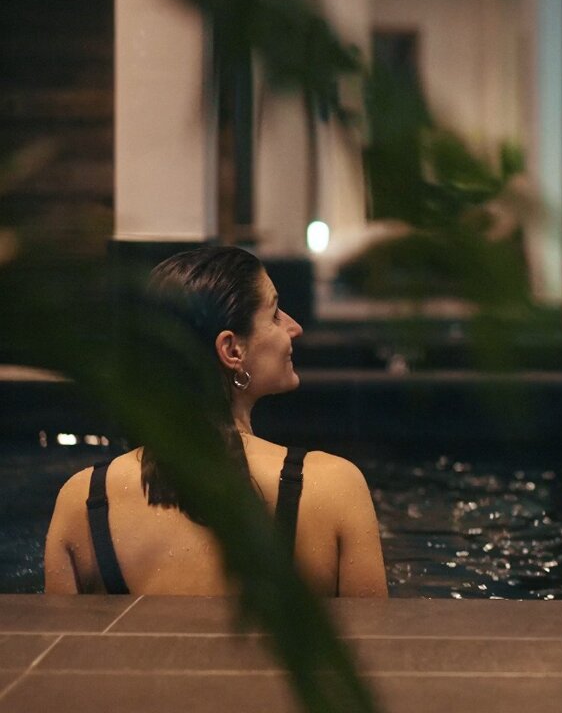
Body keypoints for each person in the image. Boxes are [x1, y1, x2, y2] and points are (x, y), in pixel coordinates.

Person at [44, 246, 387, 597]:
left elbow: (58, 633)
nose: (294, 327)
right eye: (274, 314)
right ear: (232, 350)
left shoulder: (84, 501)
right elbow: (375, 631)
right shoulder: (333, 488)